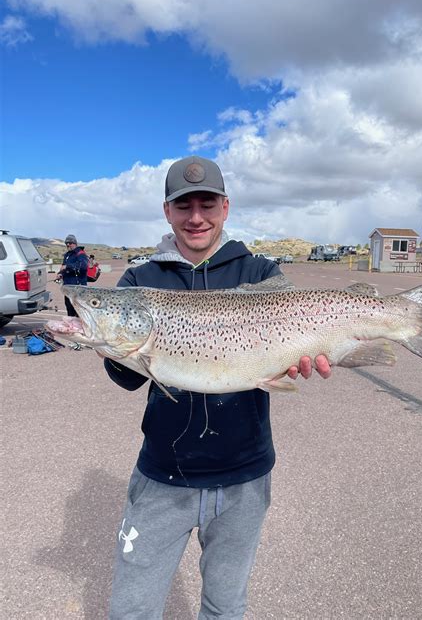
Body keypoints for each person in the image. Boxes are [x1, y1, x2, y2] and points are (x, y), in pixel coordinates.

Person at [104, 156, 331, 619]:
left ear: (225, 207)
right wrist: (111, 345)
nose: (196, 217)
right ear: (167, 211)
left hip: (245, 476)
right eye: (182, 205)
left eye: (207, 204)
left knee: (225, 607)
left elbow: (298, 352)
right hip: (163, 475)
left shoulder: (261, 273)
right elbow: (125, 379)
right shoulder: (137, 281)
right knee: (131, 608)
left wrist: (304, 358)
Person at [57, 234, 88, 316]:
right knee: (69, 308)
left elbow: (83, 266)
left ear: (75, 243)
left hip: (78, 288)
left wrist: (68, 266)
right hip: (68, 288)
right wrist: (60, 274)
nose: (68, 245)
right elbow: (63, 267)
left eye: (70, 243)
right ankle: (71, 326)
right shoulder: (67, 255)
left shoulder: (80, 253)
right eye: (66, 243)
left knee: (78, 311)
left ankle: (79, 327)